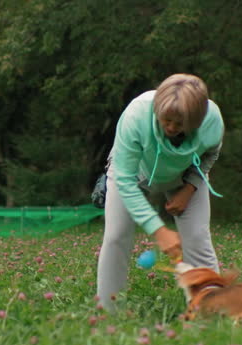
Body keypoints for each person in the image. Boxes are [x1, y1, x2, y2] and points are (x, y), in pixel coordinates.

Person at [96, 73, 224, 308]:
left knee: (197, 237)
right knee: (116, 236)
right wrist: (159, 231)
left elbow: (210, 153)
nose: (172, 127)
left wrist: (189, 187)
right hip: (134, 172)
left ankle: (211, 309)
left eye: (180, 123)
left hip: (184, 174)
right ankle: (108, 312)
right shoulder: (136, 116)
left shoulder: (212, 120)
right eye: (167, 120)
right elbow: (124, 181)